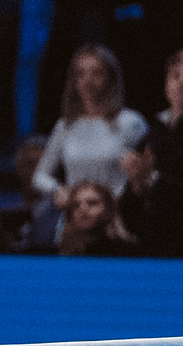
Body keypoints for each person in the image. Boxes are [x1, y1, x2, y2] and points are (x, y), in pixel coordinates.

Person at [32, 42, 148, 207]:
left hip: (117, 213)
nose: (88, 81)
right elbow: (40, 177)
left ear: (110, 77)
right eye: (81, 74)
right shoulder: (65, 125)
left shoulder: (130, 122)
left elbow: (150, 175)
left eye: (97, 73)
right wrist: (59, 190)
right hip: (77, 213)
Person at [119, 49, 183, 257]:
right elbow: (133, 198)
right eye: (175, 75)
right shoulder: (153, 132)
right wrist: (138, 186)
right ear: (166, 83)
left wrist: (152, 180)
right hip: (153, 248)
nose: (181, 83)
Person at [57, 180, 136, 256]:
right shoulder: (63, 252)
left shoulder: (128, 252)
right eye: (76, 205)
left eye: (92, 203)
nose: (83, 209)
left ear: (108, 209)